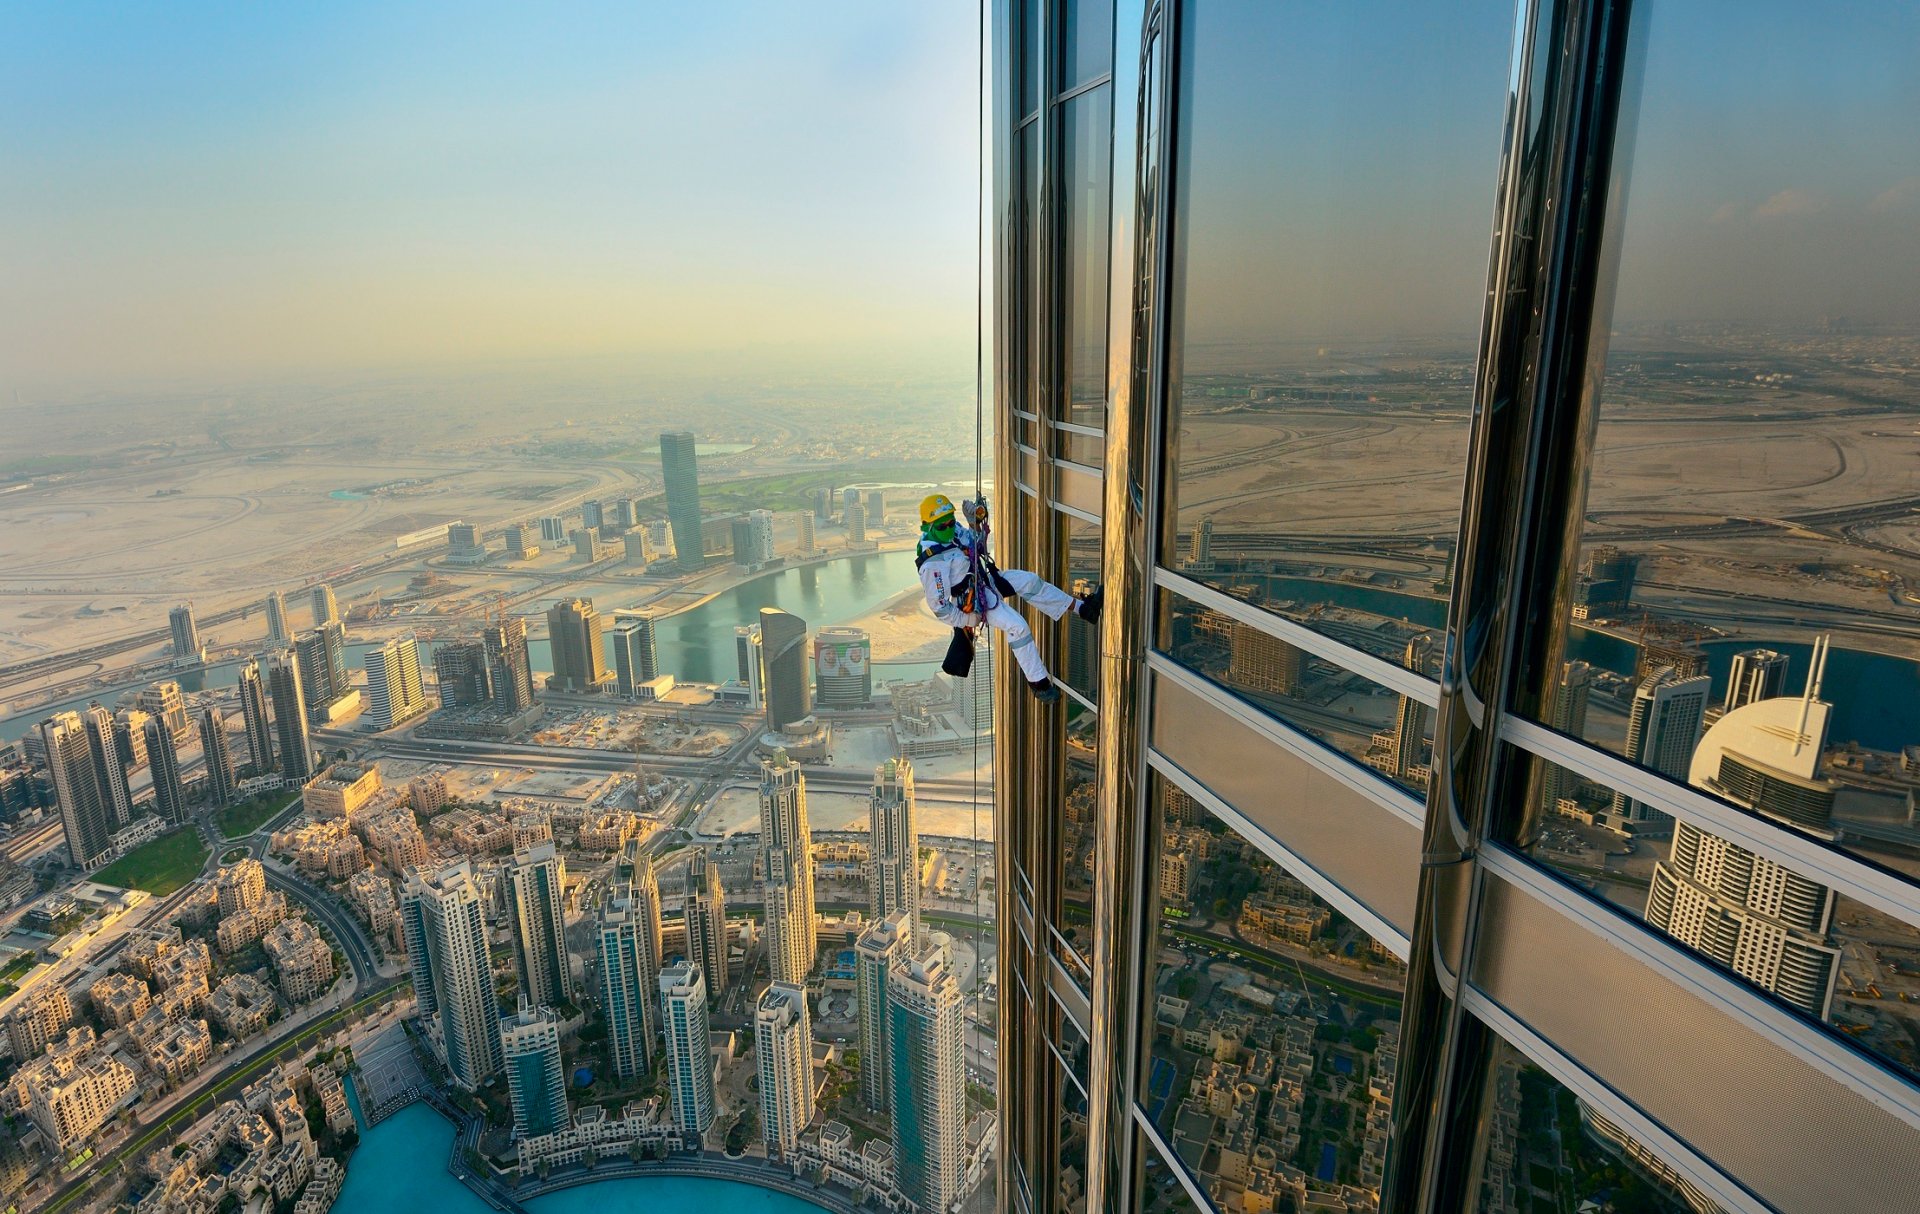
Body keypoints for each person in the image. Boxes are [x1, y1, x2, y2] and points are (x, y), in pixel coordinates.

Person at [915, 493, 1100, 703]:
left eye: (951, 522)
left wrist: (974, 523)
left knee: (1030, 581)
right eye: (943, 526)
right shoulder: (933, 563)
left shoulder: (951, 530)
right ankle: (1039, 683)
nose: (949, 528)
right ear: (927, 526)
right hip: (974, 601)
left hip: (985, 581)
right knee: (1017, 626)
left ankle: (1084, 609)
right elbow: (939, 607)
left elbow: (977, 546)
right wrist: (967, 620)